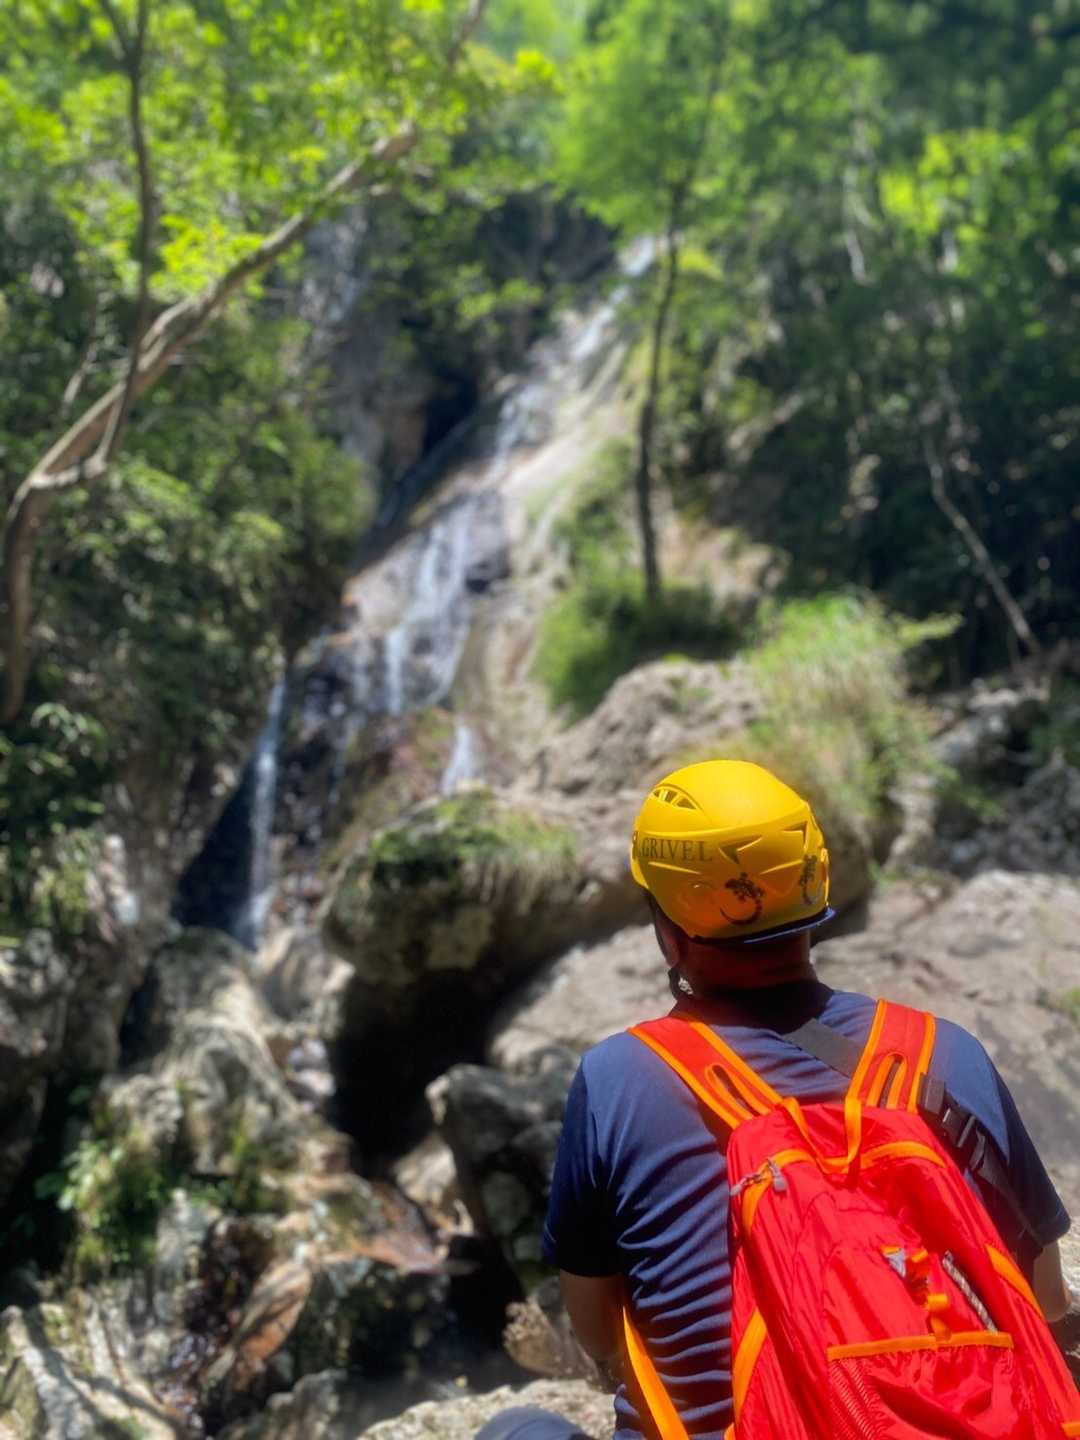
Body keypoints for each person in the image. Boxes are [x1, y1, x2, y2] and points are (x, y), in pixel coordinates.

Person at [520, 759, 1072, 1440]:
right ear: (814, 885)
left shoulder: (618, 1078)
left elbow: (599, 1330)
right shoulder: (946, 1055)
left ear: (669, 927)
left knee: (521, 1430)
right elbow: (1047, 1303)